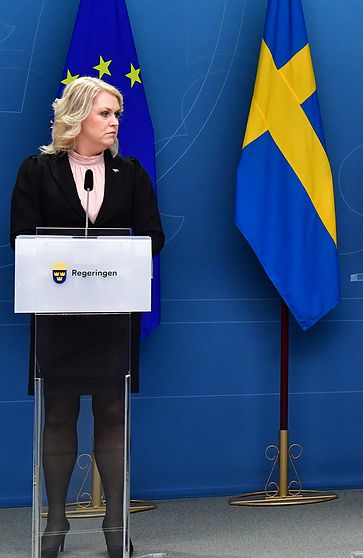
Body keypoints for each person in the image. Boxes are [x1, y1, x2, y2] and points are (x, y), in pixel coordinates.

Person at [9, 76, 164, 557]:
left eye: (117, 115)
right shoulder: (37, 170)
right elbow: (21, 237)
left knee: (113, 414)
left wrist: (113, 257)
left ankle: (116, 525)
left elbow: (153, 236)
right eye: (105, 114)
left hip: (111, 319)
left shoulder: (131, 173)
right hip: (58, 316)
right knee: (58, 415)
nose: (115, 122)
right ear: (77, 116)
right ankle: (55, 523)